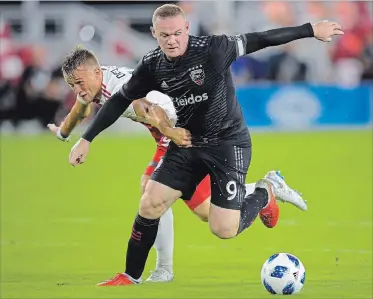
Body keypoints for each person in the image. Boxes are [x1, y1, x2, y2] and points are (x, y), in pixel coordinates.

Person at [68, 4, 342, 285]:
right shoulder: (152, 64)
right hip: (188, 142)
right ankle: (130, 276)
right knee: (150, 202)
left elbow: (261, 38)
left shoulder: (214, 48)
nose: (171, 40)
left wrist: (310, 30)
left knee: (223, 229)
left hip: (228, 142)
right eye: (164, 36)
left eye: (177, 33)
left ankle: (265, 191)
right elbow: (119, 100)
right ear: (154, 33)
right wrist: (86, 139)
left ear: (187, 29)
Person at [50, 47, 307, 283]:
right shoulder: (92, 84)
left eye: (79, 83)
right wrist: (63, 133)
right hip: (168, 133)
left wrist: (169, 133)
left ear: (96, 73)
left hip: (181, 129)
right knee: (206, 211)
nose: (77, 90)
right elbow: (80, 110)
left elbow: (147, 109)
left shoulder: (117, 86)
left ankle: (162, 269)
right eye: (72, 85)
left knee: (150, 191)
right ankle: (264, 190)